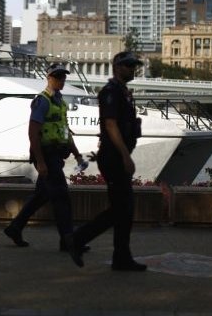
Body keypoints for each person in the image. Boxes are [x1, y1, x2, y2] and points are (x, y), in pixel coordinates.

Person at [66, 51, 147, 272]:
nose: (133, 69)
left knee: (124, 209)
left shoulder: (123, 92)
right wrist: (125, 156)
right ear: (117, 67)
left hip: (115, 155)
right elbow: (111, 125)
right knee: (121, 208)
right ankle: (78, 239)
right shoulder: (111, 92)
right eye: (129, 65)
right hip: (114, 158)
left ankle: (122, 257)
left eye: (134, 66)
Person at [3, 63, 89, 253]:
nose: (61, 80)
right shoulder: (42, 101)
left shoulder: (60, 103)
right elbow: (33, 133)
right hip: (46, 155)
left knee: (42, 195)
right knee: (61, 196)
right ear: (49, 78)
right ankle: (68, 240)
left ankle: (15, 228)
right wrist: (40, 162)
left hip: (56, 155)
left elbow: (66, 132)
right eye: (57, 76)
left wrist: (76, 154)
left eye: (63, 77)